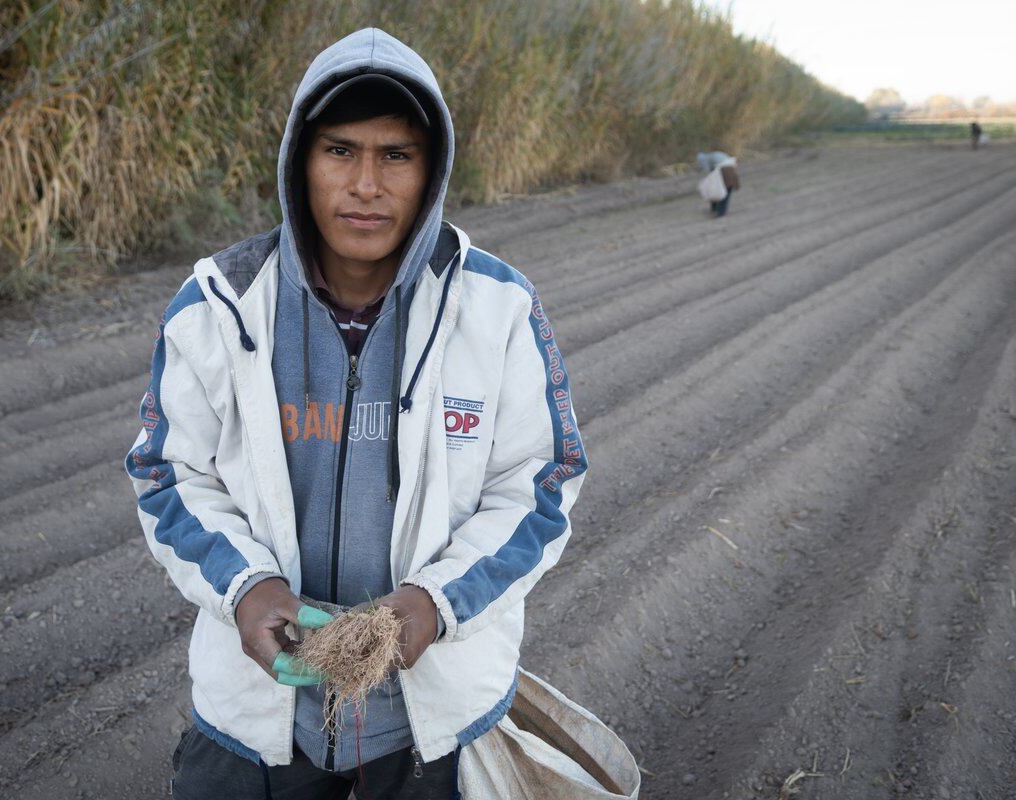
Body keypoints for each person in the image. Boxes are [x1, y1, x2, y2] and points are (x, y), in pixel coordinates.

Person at [124, 27, 588, 799]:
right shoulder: (219, 306)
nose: (365, 184)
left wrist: (434, 605)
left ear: (431, 171)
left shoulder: (496, 309)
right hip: (257, 726)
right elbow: (166, 475)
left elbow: (541, 484)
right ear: (299, 165)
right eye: (339, 151)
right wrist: (247, 589)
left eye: (395, 156)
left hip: (432, 728)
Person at [696, 149, 739, 217]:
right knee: (726, 190)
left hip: (725, 170)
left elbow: (707, 171)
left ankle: (719, 212)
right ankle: (717, 209)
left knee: (720, 192)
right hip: (732, 169)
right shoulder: (713, 155)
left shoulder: (703, 159)